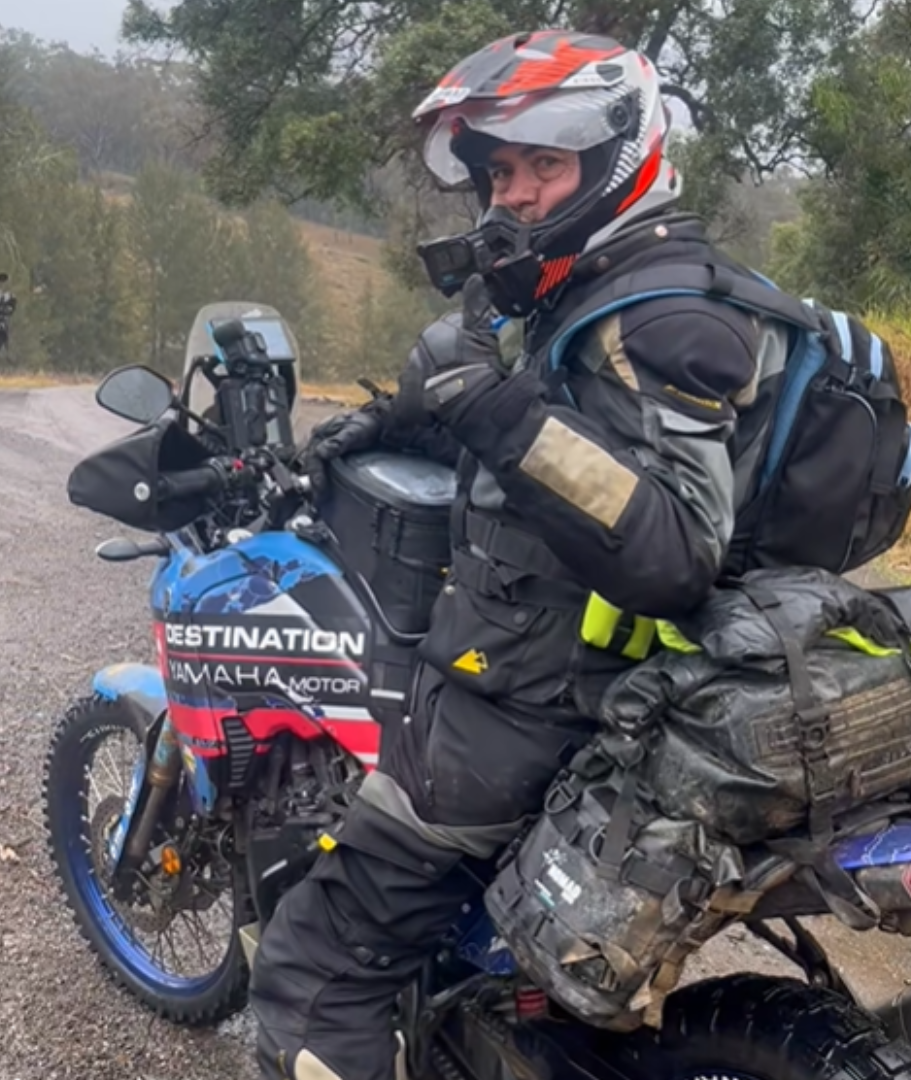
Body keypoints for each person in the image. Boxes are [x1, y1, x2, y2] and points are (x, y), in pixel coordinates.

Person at [250, 29, 785, 1080]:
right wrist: (407, 423)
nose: (517, 194)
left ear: (618, 156)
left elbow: (672, 544)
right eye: (500, 172)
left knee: (318, 967)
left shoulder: (661, 313)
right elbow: (574, 447)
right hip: (618, 684)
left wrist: (489, 407)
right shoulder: (608, 284)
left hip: (540, 713)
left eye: (545, 165)